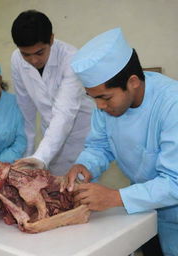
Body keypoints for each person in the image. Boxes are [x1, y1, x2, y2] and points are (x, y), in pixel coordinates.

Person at [61, 28, 178, 256]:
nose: (99, 107)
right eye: (93, 98)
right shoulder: (106, 105)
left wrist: (116, 197)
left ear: (132, 82)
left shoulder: (171, 105)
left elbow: (175, 182)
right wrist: (85, 165)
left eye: (104, 97)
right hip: (145, 210)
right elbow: (99, 146)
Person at [11, 10, 94, 175]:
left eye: (39, 52)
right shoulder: (16, 59)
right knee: (54, 194)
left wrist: (41, 156)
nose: (34, 60)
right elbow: (25, 110)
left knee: (81, 192)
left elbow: (64, 112)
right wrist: (29, 156)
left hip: (80, 136)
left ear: (51, 39)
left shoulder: (72, 58)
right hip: (49, 137)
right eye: (26, 54)